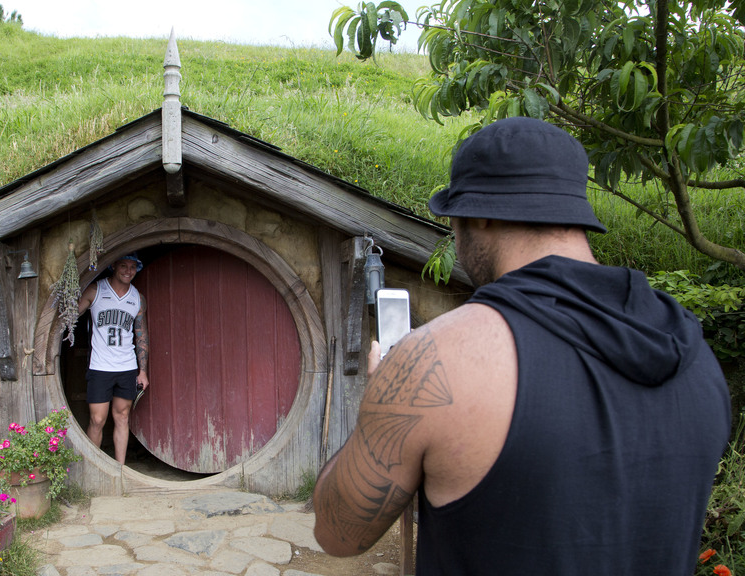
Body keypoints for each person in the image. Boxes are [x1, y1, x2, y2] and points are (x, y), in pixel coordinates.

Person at [313, 117, 731, 574]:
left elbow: (339, 533)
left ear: (478, 214)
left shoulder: (433, 360)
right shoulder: (694, 354)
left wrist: (381, 401)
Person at [77, 253, 149, 465]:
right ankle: (94, 468)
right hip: (100, 366)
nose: (128, 271)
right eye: (124, 266)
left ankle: (119, 469)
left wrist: (142, 371)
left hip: (126, 366)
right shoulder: (96, 290)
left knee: (122, 417)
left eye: (133, 267)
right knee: (97, 419)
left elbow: (141, 334)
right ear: (114, 266)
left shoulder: (138, 298)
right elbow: (69, 316)